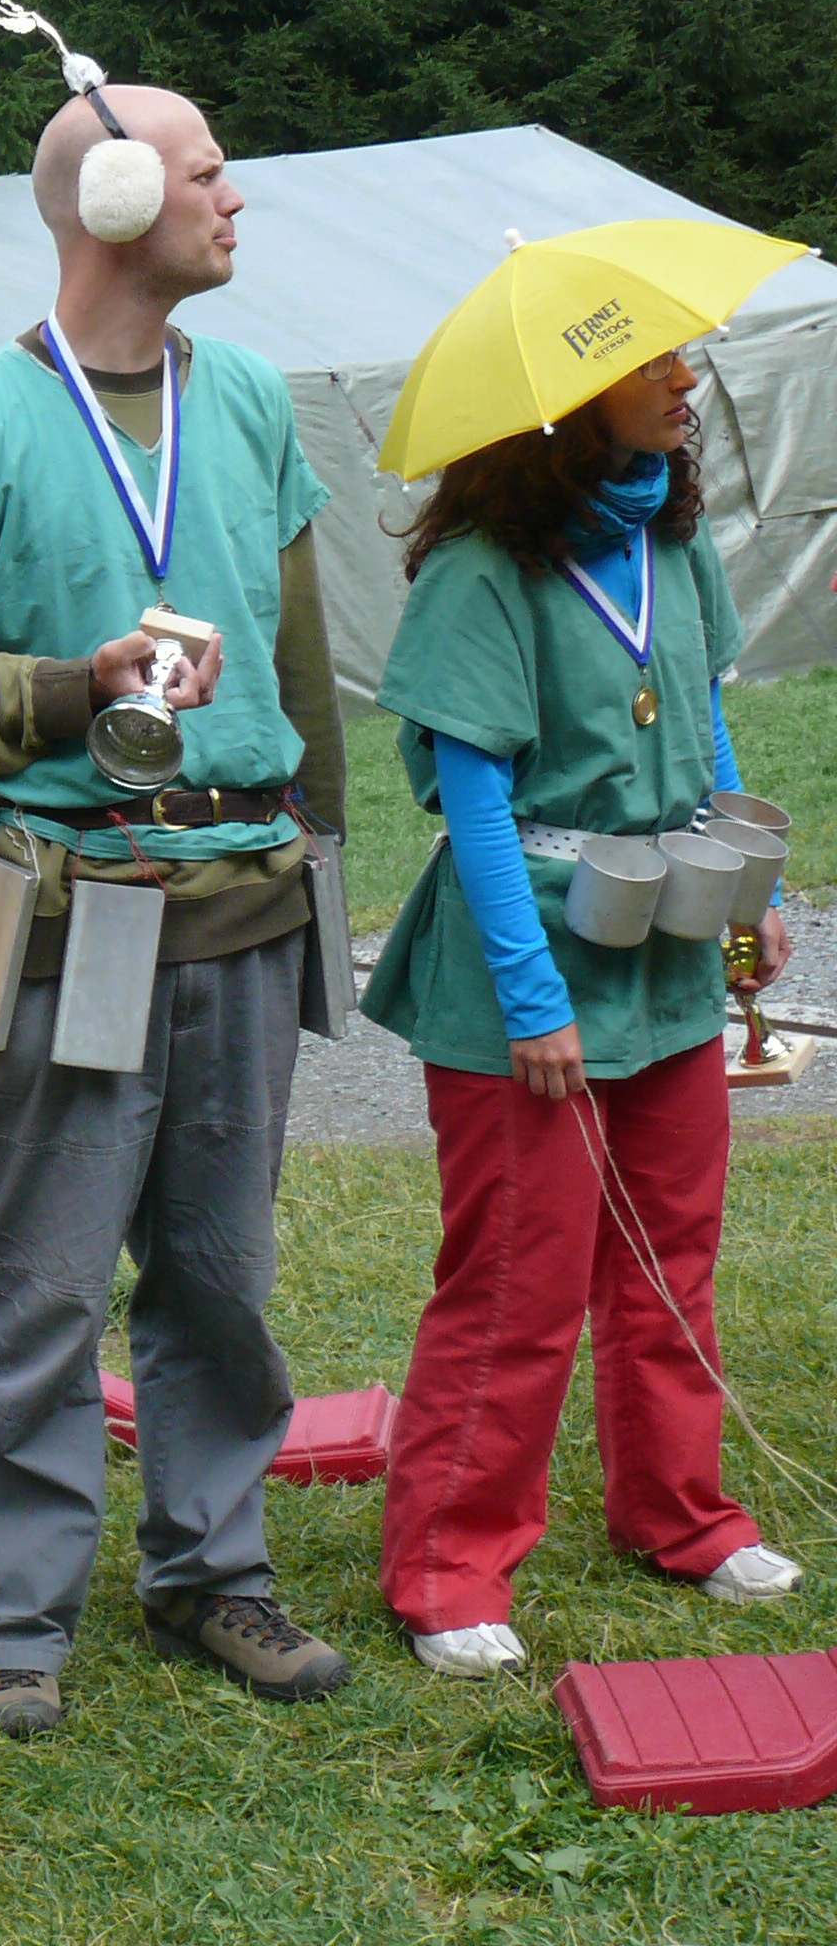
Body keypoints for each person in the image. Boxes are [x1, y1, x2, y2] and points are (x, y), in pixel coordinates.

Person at [0, 71, 354, 1739]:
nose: (237, 198)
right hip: (69, 917)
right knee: (39, 1282)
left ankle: (213, 1571)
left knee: (221, 1274)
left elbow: (297, 668)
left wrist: (321, 859)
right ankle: (14, 1615)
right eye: (211, 173)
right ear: (121, 201)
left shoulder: (254, 403)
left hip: (244, 905)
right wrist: (78, 686)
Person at [365, 345, 802, 1675]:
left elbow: (705, 729)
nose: (686, 382)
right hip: (531, 957)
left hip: (666, 939)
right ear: (567, 400)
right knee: (520, 1274)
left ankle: (681, 1514)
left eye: (683, 354)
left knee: (674, 1251)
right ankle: (449, 1566)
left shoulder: (673, 535)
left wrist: (750, 889)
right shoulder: (481, 572)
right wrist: (530, 995)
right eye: (652, 363)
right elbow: (474, 796)